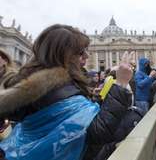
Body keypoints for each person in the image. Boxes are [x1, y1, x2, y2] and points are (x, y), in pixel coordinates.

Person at [0, 24, 133, 160]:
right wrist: (121, 84)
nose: (87, 56)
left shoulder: (40, 81)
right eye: (81, 52)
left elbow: (72, 118)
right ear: (63, 54)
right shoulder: (55, 87)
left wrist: (94, 100)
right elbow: (98, 131)